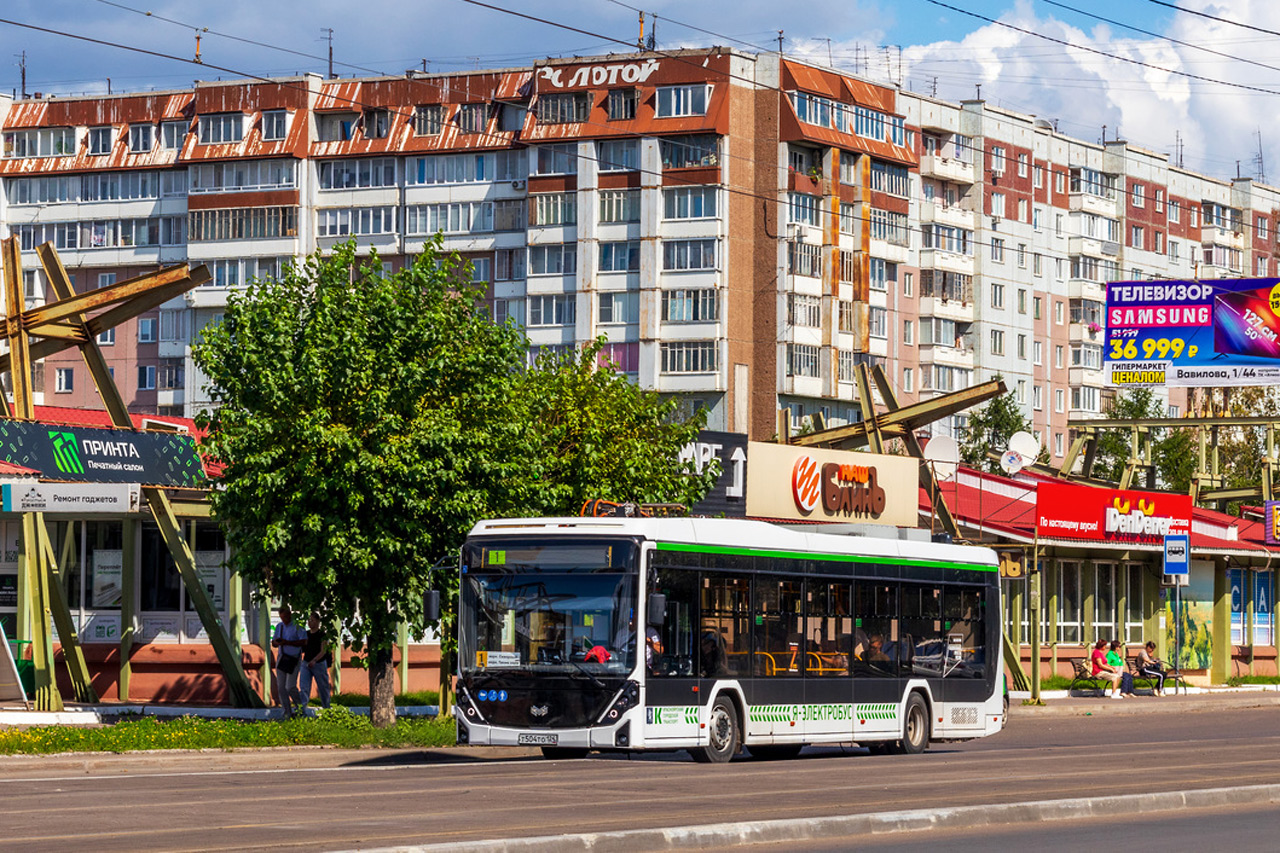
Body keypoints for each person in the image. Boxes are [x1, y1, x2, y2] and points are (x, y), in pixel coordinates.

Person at [272, 604, 307, 717]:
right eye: (282, 618)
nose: (284, 620)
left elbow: (304, 641)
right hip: (282, 659)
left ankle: (300, 707)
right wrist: (277, 642)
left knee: (290, 686)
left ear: (290, 615)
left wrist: (287, 642)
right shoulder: (279, 627)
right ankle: (286, 711)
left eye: (286, 617)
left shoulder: (297, 626)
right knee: (281, 687)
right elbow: (273, 643)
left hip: (294, 659)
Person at [298, 613, 332, 712]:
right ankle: (302, 709)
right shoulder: (306, 634)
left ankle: (326, 708)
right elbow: (302, 649)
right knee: (304, 686)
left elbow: (323, 651)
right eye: (308, 620)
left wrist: (315, 660)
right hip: (306, 663)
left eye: (312, 620)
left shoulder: (322, 635)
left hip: (319, 663)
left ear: (318, 622)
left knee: (323, 687)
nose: (309, 622)